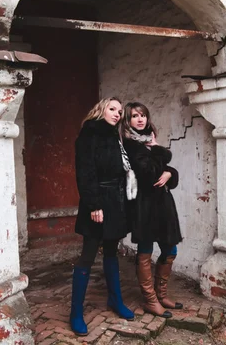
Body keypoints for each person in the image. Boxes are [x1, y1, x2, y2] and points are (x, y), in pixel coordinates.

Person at [70, 97, 136, 336]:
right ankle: (75, 312)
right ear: (100, 109)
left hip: (116, 201)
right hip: (97, 201)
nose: (117, 114)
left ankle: (115, 301)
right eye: (112, 109)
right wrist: (94, 205)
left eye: (120, 111)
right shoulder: (90, 134)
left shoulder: (114, 136)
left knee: (111, 251)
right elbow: (85, 172)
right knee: (88, 254)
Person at [121, 102, 183, 318]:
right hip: (145, 206)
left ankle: (161, 294)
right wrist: (160, 153)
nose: (140, 119)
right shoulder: (131, 145)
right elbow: (148, 173)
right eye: (134, 116)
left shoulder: (148, 142)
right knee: (146, 250)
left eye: (143, 115)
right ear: (127, 121)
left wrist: (170, 174)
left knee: (170, 249)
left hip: (163, 205)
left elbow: (164, 173)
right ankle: (150, 300)